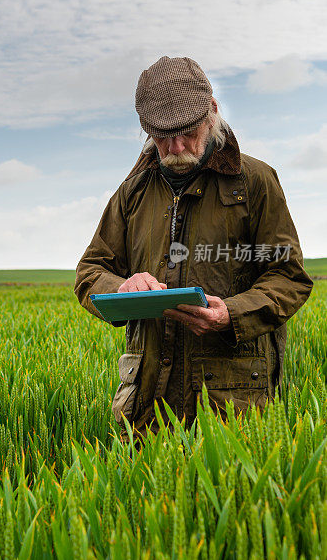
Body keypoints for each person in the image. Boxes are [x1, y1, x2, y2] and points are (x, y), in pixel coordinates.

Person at [74, 55, 314, 444]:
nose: (176, 146)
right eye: (162, 136)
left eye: (187, 131)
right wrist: (122, 286)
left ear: (213, 113)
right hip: (145, 403)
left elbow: (289, 278)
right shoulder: (132, 191)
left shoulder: (255, 182)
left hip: (232, 403)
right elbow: (90, 271)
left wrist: (230, 314)